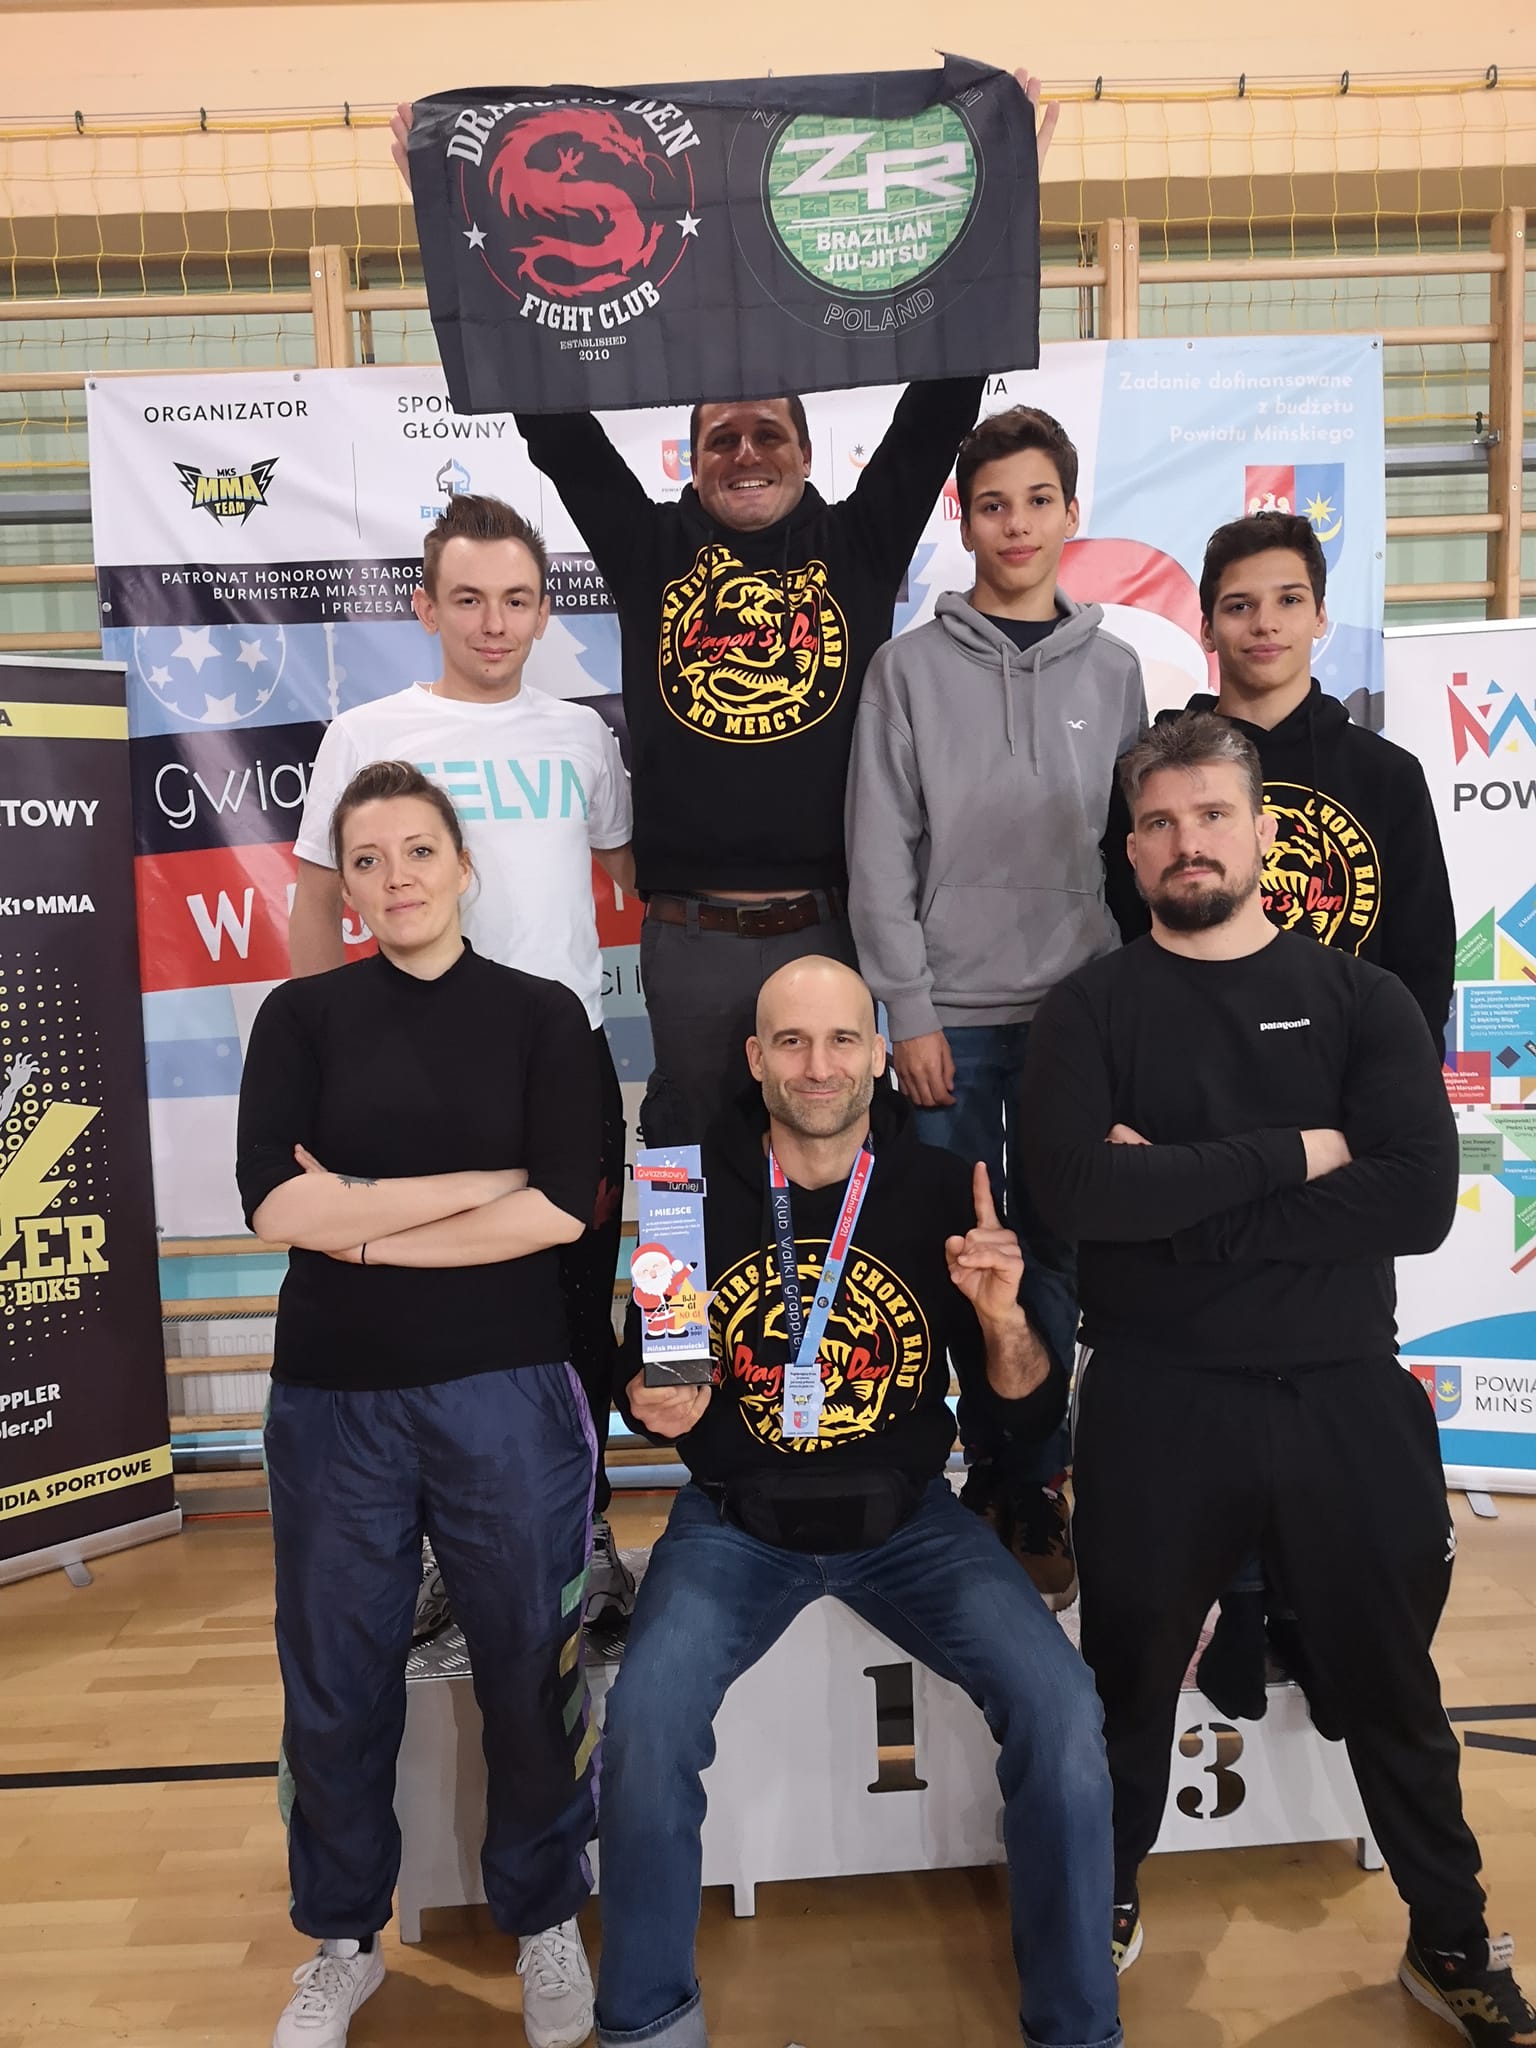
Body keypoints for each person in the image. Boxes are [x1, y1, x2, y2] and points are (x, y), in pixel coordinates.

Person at [389, 76, 1057, 1146]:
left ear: (807, 451)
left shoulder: (857, 542)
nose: (746, 453)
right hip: (690, 939)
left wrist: (998, 197)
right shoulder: (650, 549)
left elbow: (941, 403)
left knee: (833, 1158)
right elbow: (556, 424)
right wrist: (461, 227)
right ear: (691, 459)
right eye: (722, 438)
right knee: (692, 1169)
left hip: (832, 928)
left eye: (768, 434)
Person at [1017, 714, 1536, 2046]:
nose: (1185, 842)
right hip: (1155, 1398)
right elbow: (1072, 1193)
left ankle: (1450, 1936)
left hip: (1343, 1393)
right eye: (1158, 823)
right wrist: (1298, 1153)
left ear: (1262, 832)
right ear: (1131, 850)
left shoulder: (1364, 999)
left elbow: (1417, 1198)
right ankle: (1106, 1896)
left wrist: (1175, 1200)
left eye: (1210, 815)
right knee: (1126, 1683)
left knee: (1395, 1690)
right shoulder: (1090, 1006)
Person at [592, 956, 1121, 2048]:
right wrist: (650, 1399)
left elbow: (1022, 1410)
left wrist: (1005, 1320)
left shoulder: (945, 1190)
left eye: (842, 1039)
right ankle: (646, 2025)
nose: (817, 1065)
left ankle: (1077, 2028)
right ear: (755, 1058)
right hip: (734, 1521)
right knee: (641, 1727)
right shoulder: (688, 1196)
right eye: (791, 1041)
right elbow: (655, 1387)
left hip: (912, 1524)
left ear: (882, 1055)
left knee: (1065, 1710)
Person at [239, 759, 603, 2048]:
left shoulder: (544, 1015)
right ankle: (342, 1936)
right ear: (346, 885)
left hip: (507, 1390)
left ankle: (544, 1915)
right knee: (335, 1680)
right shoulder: (301, 1016)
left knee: (528, 1665)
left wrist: (362, 1223)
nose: (395, 877)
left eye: (418, 850)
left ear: (464, 864)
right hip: (332, 1400)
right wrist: (472, 1186)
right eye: (368, 858)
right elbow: (276, 1204)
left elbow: (559, 1208)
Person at [1119, 512, 1457, 1719]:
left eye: (1285, 600)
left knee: (1330, 1376)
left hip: (1345, 1127)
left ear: (1319, 612)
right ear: (1208, 621)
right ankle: (1238, 1604)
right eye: (1238, 603)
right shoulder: (1160, 765)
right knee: (1215, 1374)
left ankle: (1321, 1611)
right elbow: (1136, 937)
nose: (1262, 624)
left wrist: (1379, 1115)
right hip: (1203, 1116)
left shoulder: (1384, 775)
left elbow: (1422, 958)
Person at [289, 493, 637, 1629]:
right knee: (429, 1307)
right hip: (412, 1069)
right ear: (425, 606)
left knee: (575, 1308)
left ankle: (584, 1534)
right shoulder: (366, 734)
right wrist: (315, 1054)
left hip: (565, 1064)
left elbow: (631, 876)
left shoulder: (582, 735)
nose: (495, 623)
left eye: (518, 600)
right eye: (471, 599)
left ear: (543, 612)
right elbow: (314, 901)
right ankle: (447, 1546)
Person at [845, 403, 1145, 1605]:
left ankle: (1034, 1478)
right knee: (958, 1246)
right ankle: (967, 1470)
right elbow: (879, 851)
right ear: (961, 519)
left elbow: (1129, 855)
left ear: (1072, 513)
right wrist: (907, 1009)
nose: (1015, 523)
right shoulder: (907, 670)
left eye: (1037, 500)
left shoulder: (1115, 670)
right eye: (991, 503)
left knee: (1059, 1250)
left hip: (1080, 1017)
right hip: (950, 1021)